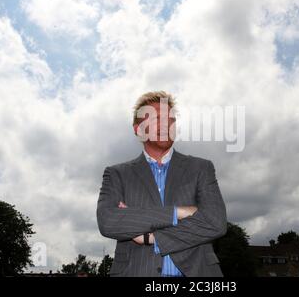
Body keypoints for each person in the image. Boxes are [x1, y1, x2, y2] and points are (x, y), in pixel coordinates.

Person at [96, 91, 227, 277]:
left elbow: (216, 222)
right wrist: (178, 212)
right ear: (138, 129)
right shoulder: (116, 174)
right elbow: (108, 221)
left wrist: (152, 238)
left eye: (171, 120)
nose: (166, 124)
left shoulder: (201, 168)